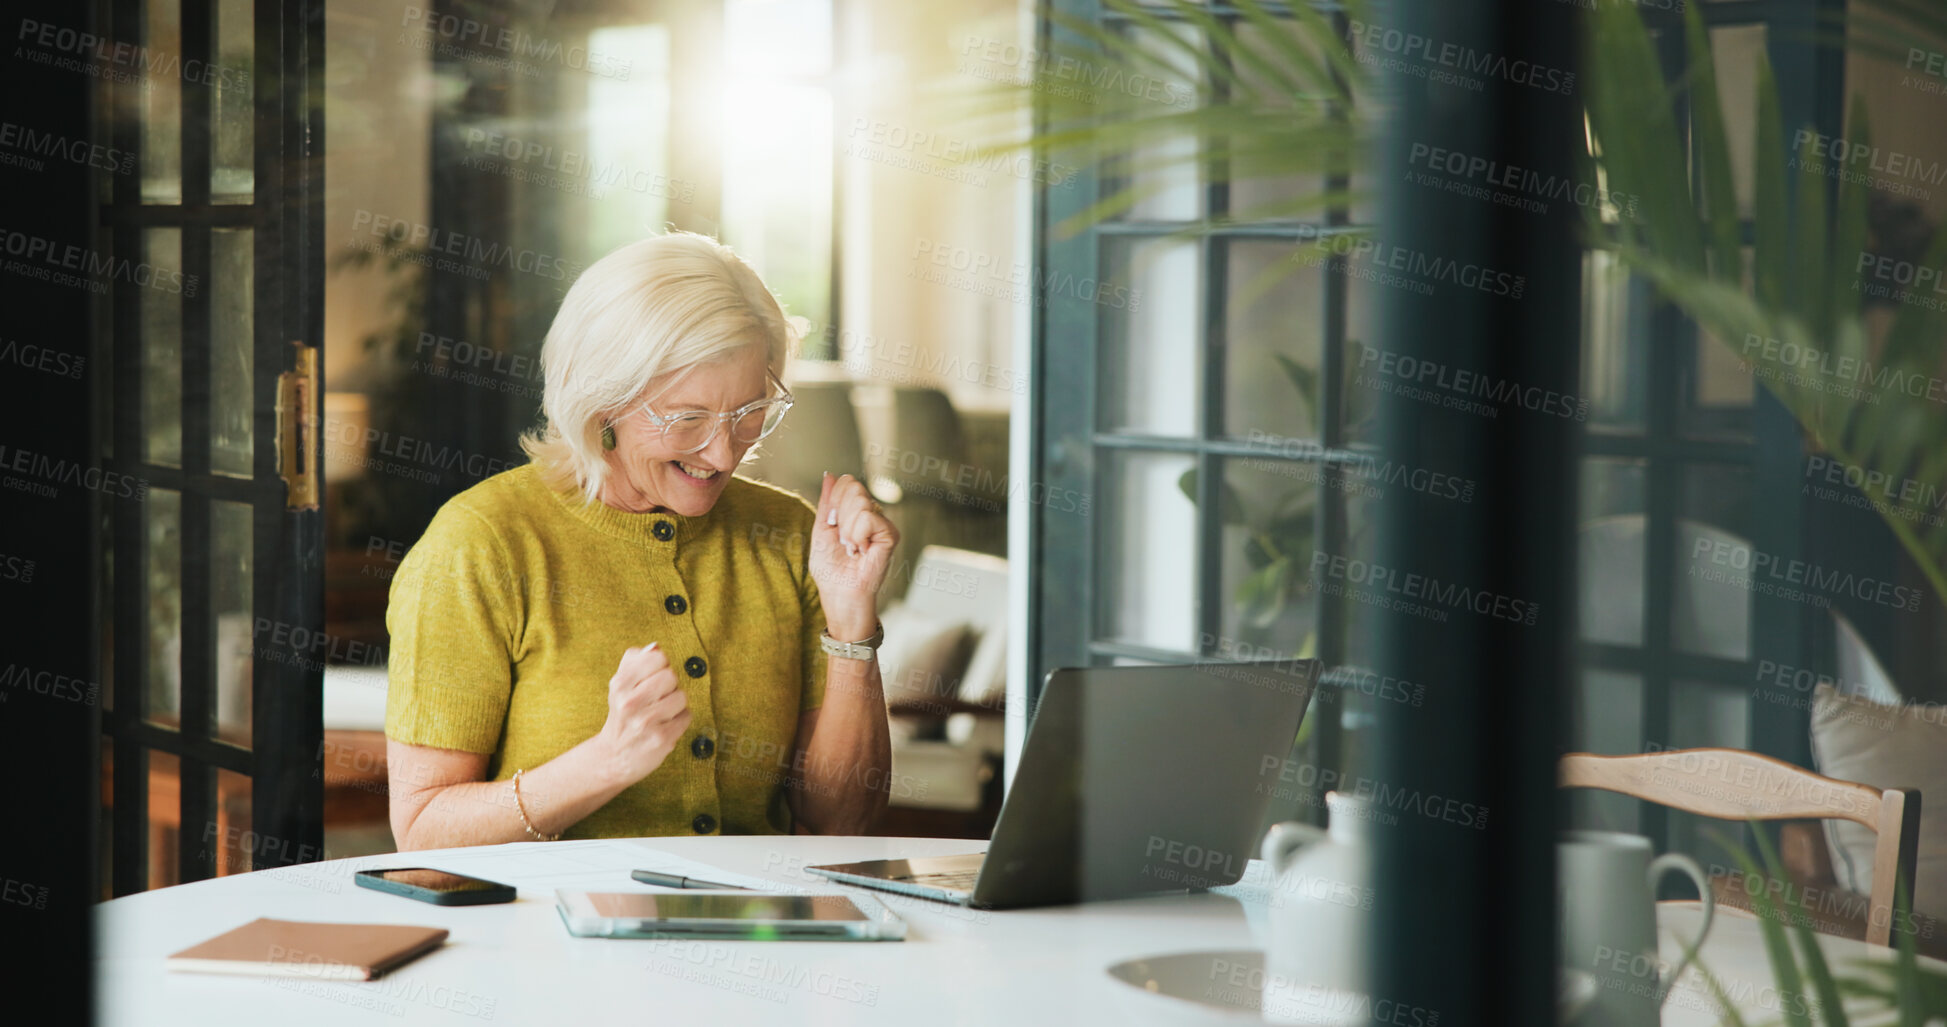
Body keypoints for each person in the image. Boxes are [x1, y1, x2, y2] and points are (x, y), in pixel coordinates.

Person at [383, 232, 898, 848]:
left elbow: (841, 826)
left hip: (758, 933)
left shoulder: (789, 537)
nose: (722, 451)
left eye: (748, 412)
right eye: (687, 418)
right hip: (544, 936)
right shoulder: (483, 544)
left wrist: (851, 628)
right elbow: (423, 835)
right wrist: (604, 763)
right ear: (603, 406)